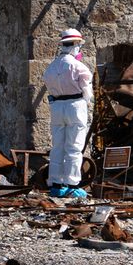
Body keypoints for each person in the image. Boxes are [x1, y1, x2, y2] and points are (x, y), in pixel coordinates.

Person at [41, 28, 94, 199]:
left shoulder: (51, 68)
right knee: (74, 147)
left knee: (58, 147)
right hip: (75, 106)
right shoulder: (79, 67)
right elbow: (87, 93)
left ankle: (56, 184)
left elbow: (49, 87)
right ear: (76, 45)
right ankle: (72, 185)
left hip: (57, 106)